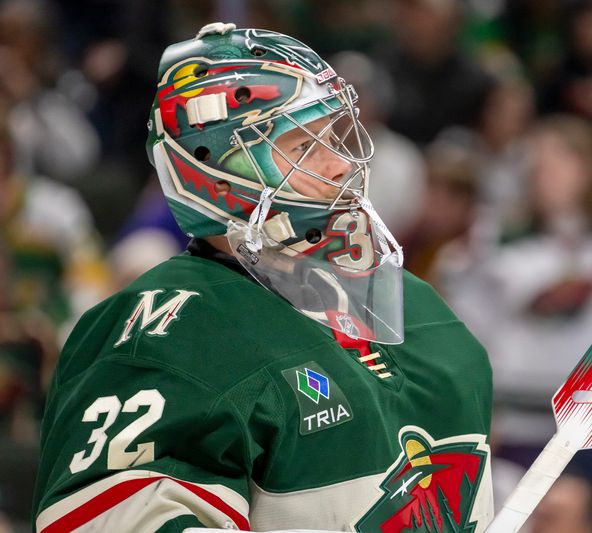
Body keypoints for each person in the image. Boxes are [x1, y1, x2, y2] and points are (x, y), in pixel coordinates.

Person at [32, 23, 494, 532]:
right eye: (300, 146)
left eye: (335, 135)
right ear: (212, 170)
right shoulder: (169, 334)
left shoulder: (420, 307)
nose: (339, 165)